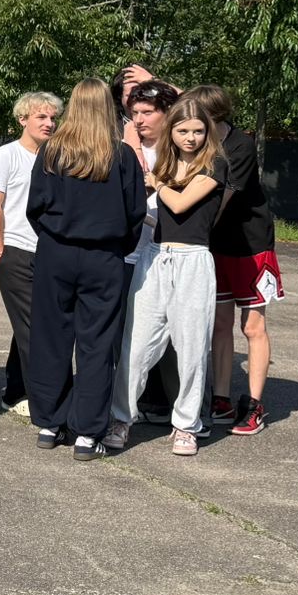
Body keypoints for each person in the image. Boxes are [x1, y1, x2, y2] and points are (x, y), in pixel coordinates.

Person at [25, 78, 147, 461]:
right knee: (97, 344)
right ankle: (87, 433)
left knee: (51, 338)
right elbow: (135, 212)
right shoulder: (121, 155)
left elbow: (35, 206)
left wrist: (55, 238)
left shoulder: (52, 151)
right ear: (108, 109)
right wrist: (115, 248)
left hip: (56, 253)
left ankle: (50, 423)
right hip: (103, 257)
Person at [108, 96, 225, 457]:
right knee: (136, 346)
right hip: (155, 257)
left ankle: (186, 426)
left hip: (193, 262)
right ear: (171, 132)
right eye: (183, 130)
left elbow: (179, 203)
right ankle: (121, 419)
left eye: (198, 131)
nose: (191, 138)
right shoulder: (165, 167)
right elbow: (159, 216)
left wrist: (155, 182)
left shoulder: (215, 165)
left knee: (191, 348)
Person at [189, 84, 278, 436]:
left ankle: (254, 404)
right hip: (216, 244)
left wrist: (189, 225)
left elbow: (223, 197)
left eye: (198, 116)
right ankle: (221, 398)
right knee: (220, 324)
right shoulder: (198, 140)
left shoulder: (239, 145)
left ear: (215, 115)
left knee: (252, 326)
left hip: (251, 244)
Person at [0, 91, 61, 420]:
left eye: (53, 118)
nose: (49, 123)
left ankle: (15, 391)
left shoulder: (56, 157)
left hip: (48, 253)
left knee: (30, 323)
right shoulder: (6, 156)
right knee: (34, 328)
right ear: (23, 119)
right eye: (41, 117)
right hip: (15, 251)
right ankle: (45, 402)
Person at [118, 78, 184, 425]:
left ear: (167, 113)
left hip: (170, 254)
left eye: (146, 112)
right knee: (130, 334)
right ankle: (123, 408)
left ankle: (170, 405)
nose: (138, 120)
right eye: (134, 113)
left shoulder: (183, 150)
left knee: (171, 338)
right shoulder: (122, 148)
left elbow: (204, 108)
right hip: (129, 255)